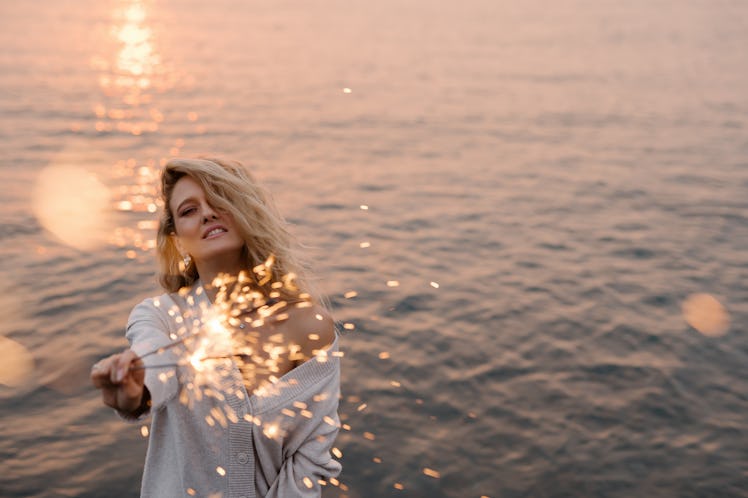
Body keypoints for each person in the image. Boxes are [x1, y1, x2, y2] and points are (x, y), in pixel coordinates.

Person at [91, 158, 342, 498]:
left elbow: (312, 456)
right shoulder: (160, 316)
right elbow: (152, 364)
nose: (208, 213)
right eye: (189, 210)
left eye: (219, 199)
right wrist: (136, 392)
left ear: (245, 210)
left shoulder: (308, 324)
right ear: (177, 239)